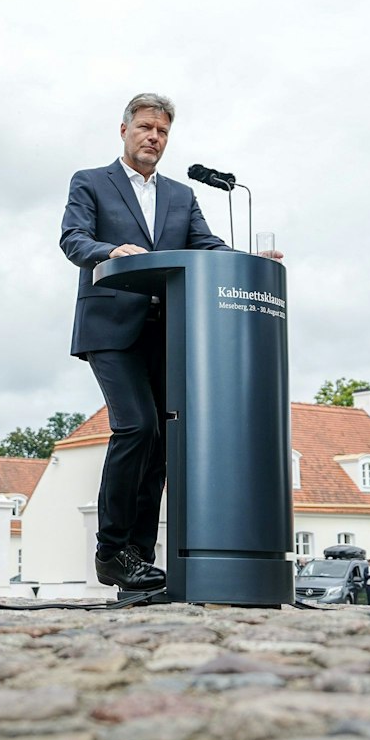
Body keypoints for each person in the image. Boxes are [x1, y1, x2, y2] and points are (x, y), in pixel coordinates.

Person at [59, 93, 267, 592]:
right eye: (146, 128)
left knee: (161, 445)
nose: (154, 137)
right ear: (125, 129)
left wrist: (249, 260)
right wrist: (113, 249)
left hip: (167, 330)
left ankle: (140, 558)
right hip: (110, 326)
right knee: (136, 427)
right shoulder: (90, 181)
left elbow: (206, 246)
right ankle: (111, 552)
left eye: (163, 132)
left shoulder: (181, 195)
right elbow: (73, 239)